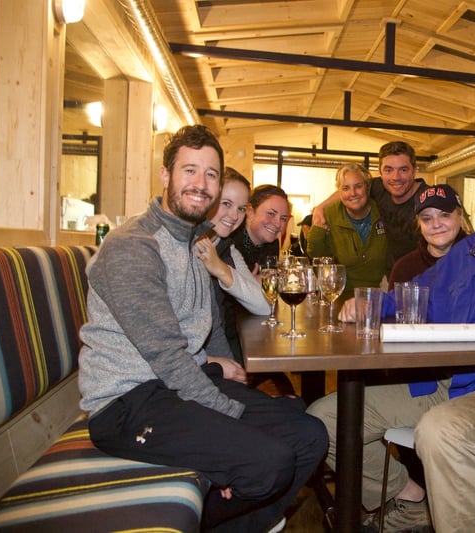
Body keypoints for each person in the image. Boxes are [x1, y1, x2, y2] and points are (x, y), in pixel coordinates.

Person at [78, 125, 328, 533]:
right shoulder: (135, 246)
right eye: (189, 170)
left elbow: (206, 329)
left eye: (211, 174)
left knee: (310, 435)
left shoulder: (195, 242)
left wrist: (226, 374)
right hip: (127, 402)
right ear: (165, 176)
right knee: (269, 463)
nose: (201, 183)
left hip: (178, 383)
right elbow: (167, 357)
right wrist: (229, 417)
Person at [312, 147, 475, 533]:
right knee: (325, 419)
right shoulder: (465, 252)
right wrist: (368, 304)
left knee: (441, 430)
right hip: (450, 386)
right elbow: (412, 295)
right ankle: (410, 500)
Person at [313, 141, 428, 271]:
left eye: (403, 169)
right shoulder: (378, 188)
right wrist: (320, 207)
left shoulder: (429, 201)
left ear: (414, 170)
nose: (396, 177)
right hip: (393, 279)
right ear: (380, 171)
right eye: (388, 170)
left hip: (425, 281)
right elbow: (351, 191)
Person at [195, 167, 270, 365]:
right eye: (226, 204)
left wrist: (219, 268)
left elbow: (263, 305)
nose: (234, 216)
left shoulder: (227, 248)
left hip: (216, 354)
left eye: (241, 208)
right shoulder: (188, 243)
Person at [307, 163, 388, 299]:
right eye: (345, 188)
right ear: (339, 192)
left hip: (380, 295)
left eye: (358, 186)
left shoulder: (384, 209)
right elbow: (317, 258)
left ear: (367, 187)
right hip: (340, 295)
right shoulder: (328, 215)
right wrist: (317, 228)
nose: (353, 193)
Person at [387, 183, 469, 289]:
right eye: (427, 218)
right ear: (419, 224)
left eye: (444, 215)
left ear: (460, 216)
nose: (436, 224)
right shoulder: (404, 269)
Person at [232, 184, 291, 271]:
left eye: (283, 218)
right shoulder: (230, 241)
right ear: (250, 212)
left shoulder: (272, 244)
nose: (278, 224)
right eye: (271, 214)